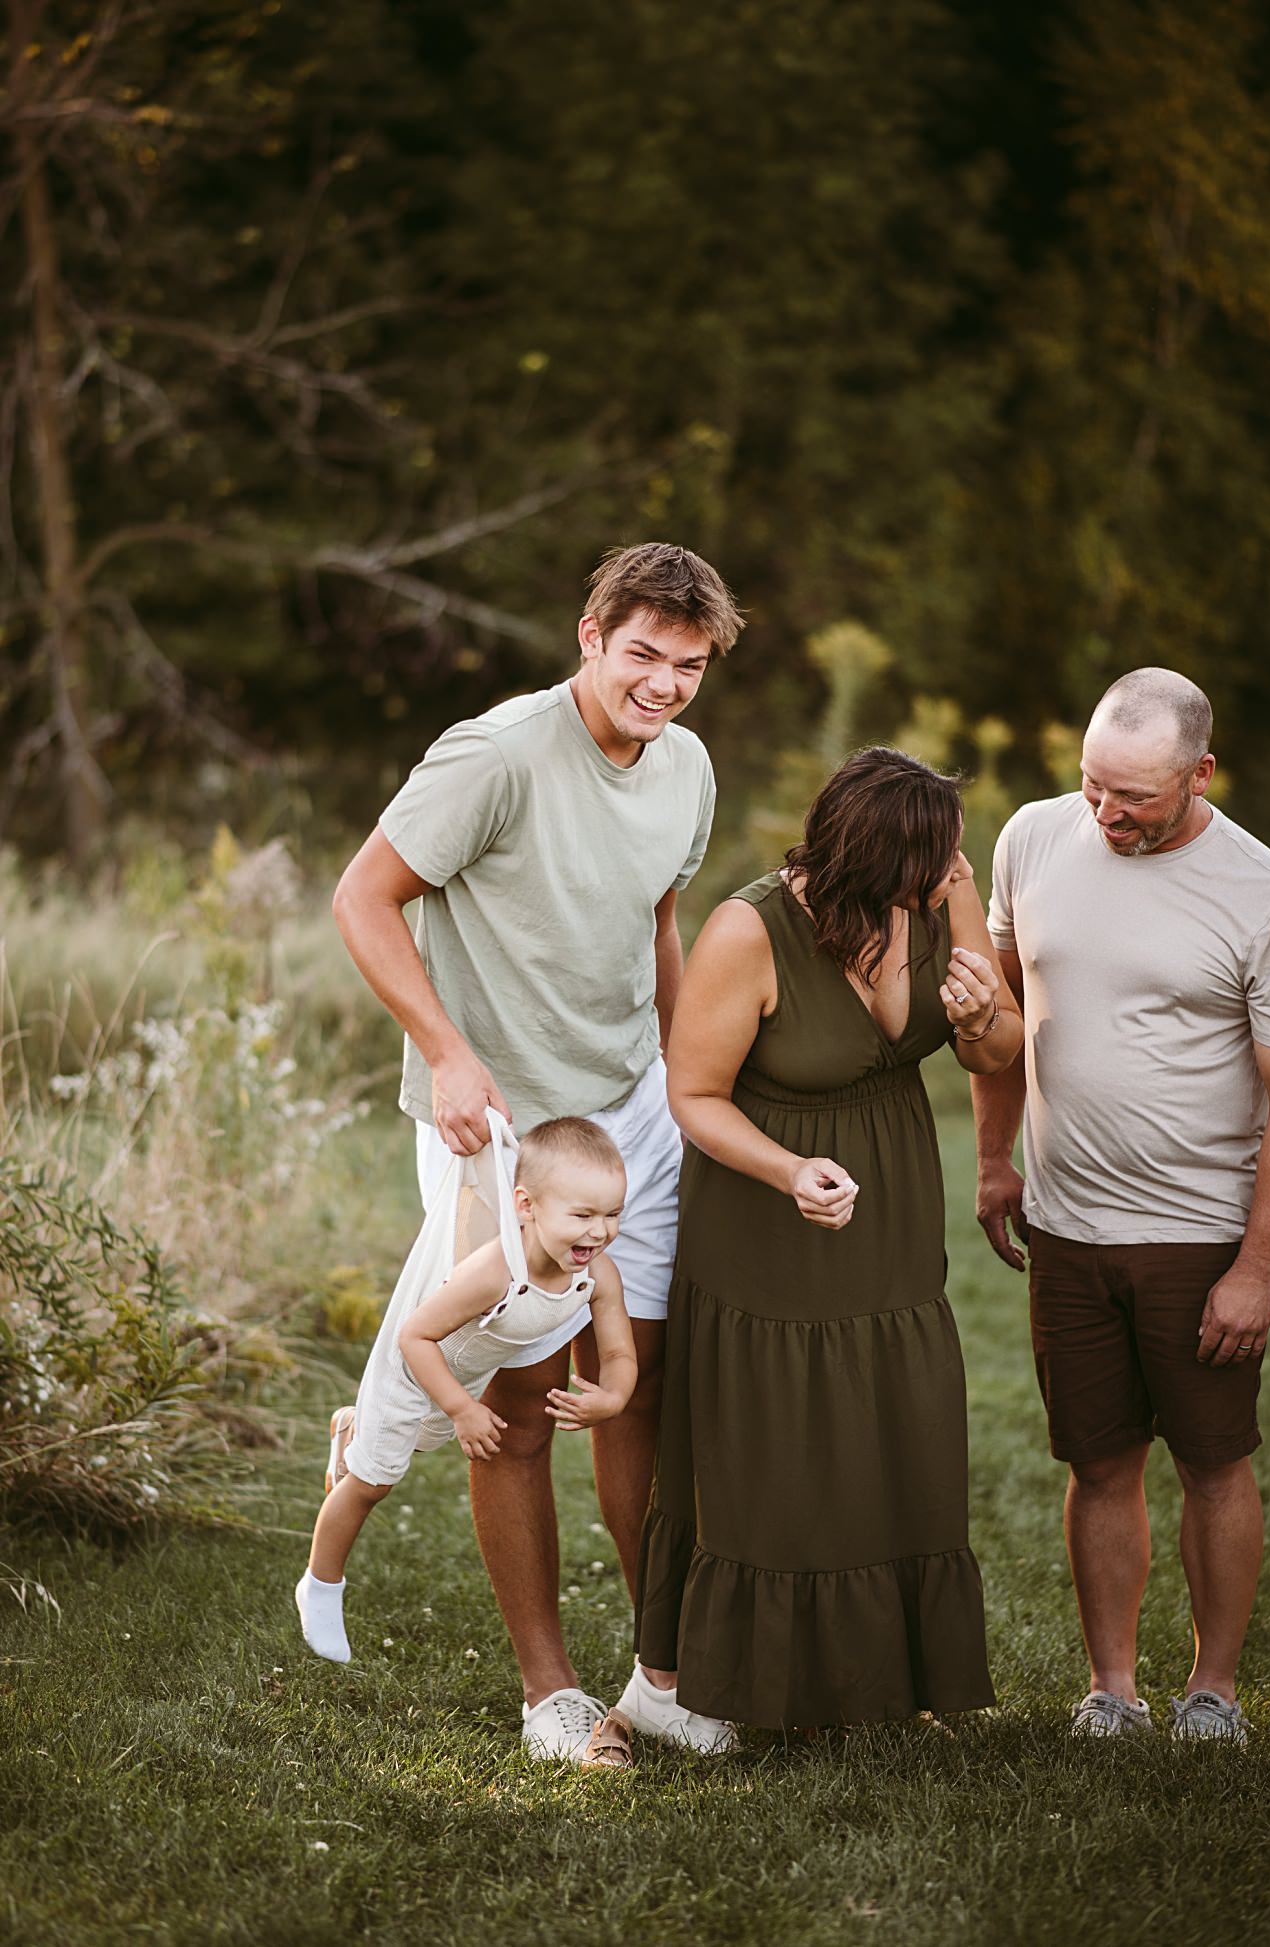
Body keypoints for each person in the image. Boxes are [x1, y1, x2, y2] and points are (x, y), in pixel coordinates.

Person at [327, 542, 745, 1761]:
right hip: (503, 1128)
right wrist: (448, 1054)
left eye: (689, 665)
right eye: (643, 656)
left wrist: (685, 1079)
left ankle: (659, 1674)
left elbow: (659, 920)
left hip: (636, 1115)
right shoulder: (496, 753)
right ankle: (549, 1693)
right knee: (513, 1398)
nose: (663, 685)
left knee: (638, 1384)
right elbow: (362, 896)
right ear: (590, 636)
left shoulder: (688, 766)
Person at [633, 747, 1024, 1732]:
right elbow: (692, 1094)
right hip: (766, 1206)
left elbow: (1001, 1044)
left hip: (889, 1203)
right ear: (864, 859)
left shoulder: (944, 889)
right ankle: (715, 1685)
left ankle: (876, 1680)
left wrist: (980, 1024)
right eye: (930, 863)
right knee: (769, 1444)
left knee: (888, 1422)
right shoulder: (747, 930)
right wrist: (786, 1171)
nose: (949, 876)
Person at [973, 668, 1270, 1744]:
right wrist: (992, 1159)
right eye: (1091, 786)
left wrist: (1255, 1266)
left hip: (1197, 1235)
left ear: (1199, 773)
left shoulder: (1263, 892)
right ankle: (1110, 1690)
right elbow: (1001, 1012)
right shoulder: (1030, 836)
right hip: (1067, 1225)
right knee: (1098, 1461)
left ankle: (1212, 1692)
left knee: (1213, 1463)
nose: (1104, 815)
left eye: (1135, 799)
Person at [295, 1117, 636, 1667]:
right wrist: (461, 1409)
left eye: (613, 1215)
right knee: (374, 1480)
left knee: (412, 1447)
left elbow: (618, 1352)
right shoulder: (495, 1271)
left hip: (465, 1375)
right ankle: (321, 1583)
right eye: (583, 1216)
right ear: (526, 1207)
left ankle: (351, 1431)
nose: (599, 1232)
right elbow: (415, 1336)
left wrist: (613, 1398)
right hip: (412, 1369)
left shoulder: (599, 1274)